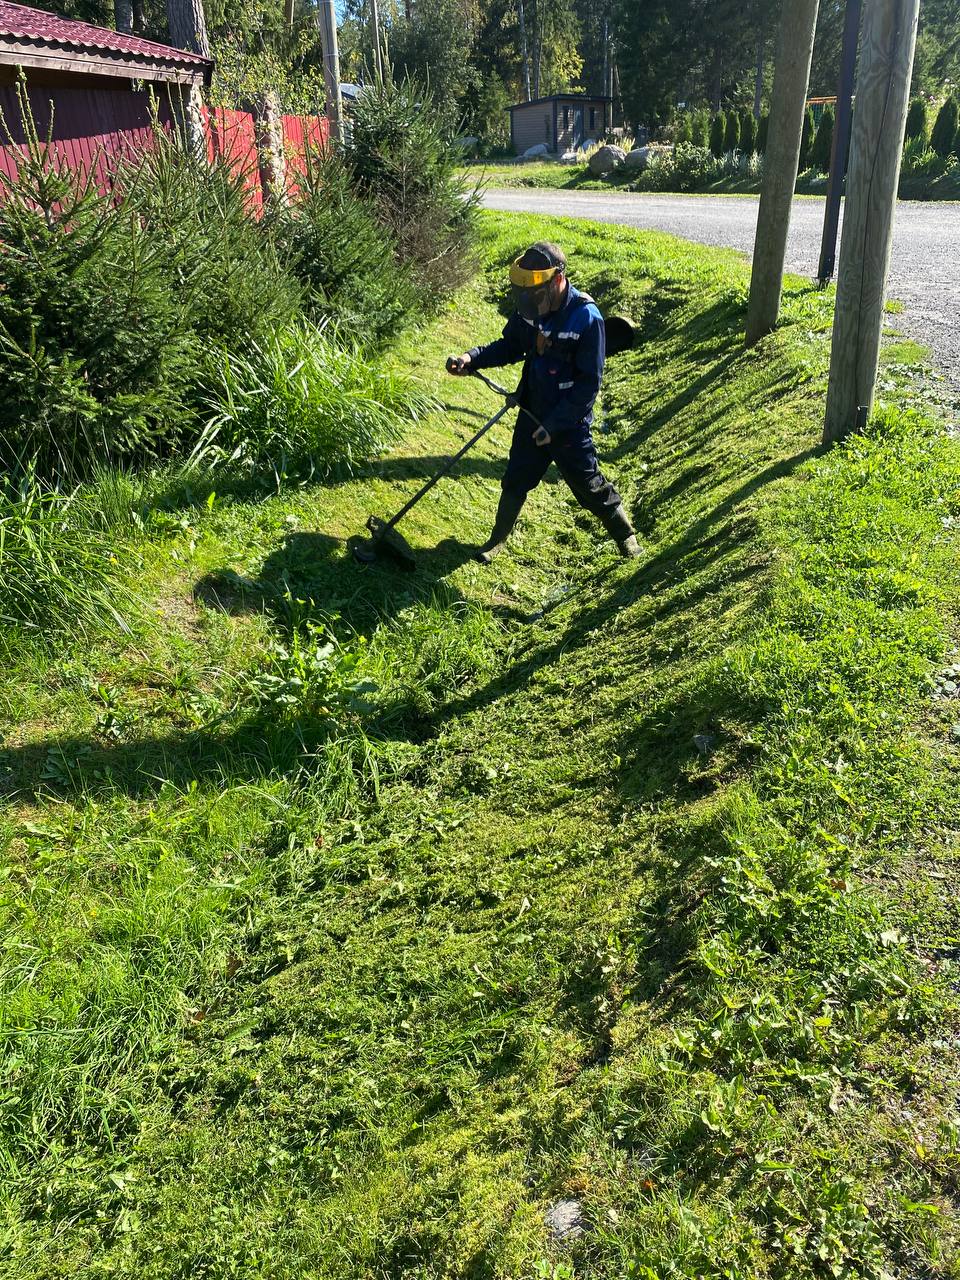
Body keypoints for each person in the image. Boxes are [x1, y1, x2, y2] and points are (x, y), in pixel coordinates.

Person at [447, 240, 640, 563]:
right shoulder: (530, 307)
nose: (531, 300)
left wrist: (555, 425)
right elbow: (508, 346)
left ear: (558, 280)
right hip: (532, 411)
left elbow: (588, 385)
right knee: (516, 477)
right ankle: (496, 540)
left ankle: (626, 536)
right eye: (526, 294)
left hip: (568, 424)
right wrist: (472, 358)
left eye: (537, 293)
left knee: (588, 485)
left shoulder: (586, 318)